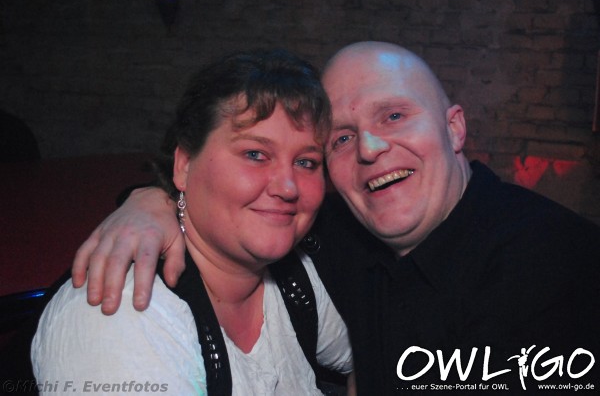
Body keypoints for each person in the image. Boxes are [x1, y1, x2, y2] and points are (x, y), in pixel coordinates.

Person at [71, 42, 600, 394]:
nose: (370, 148)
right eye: (341, 139)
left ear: (455, 128)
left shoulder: (559, 268)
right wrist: (153, 201)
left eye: (394, 115)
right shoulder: (334, 234)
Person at [32, 49, 354, 395]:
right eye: (255, 154)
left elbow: (374, 357)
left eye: (306, 162)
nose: (288, 187)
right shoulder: (122, 312)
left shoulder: (297, 279)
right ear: (184, 164)